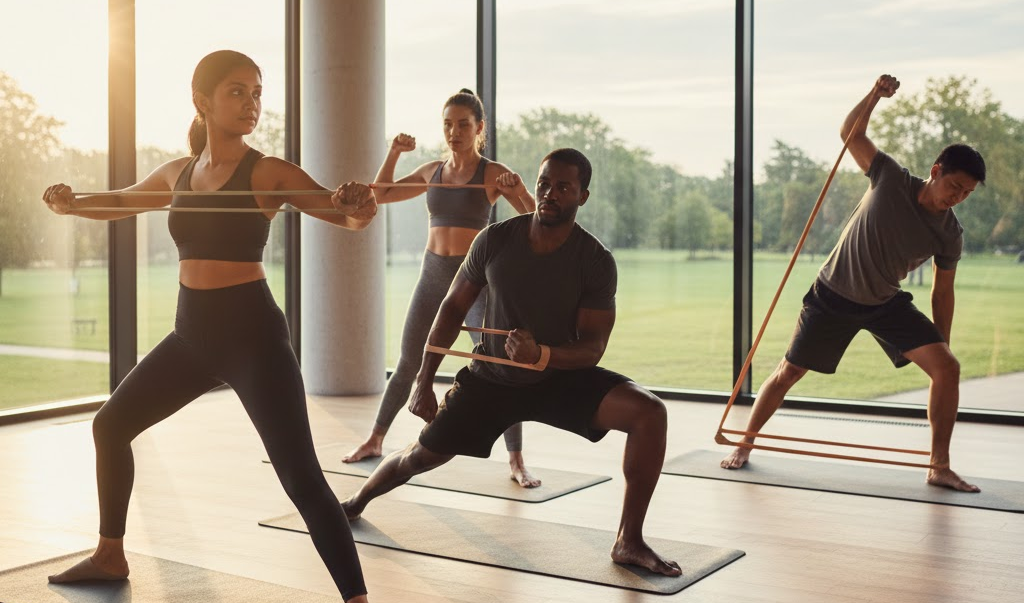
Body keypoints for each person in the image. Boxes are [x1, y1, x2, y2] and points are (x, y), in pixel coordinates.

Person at [42, 50, 385, 603]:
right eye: (237, 92)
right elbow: (121, 201)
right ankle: (111, 553)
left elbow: (344, 215)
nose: (252, 102)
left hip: (252, 334)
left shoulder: (269, 172)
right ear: (202, 100)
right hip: (192, 333)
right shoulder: (179, 171)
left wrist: (362, 204)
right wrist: (72, 203)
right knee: (110, 425)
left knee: (301, 477)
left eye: (256, 92)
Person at [341, 148, 682, 577]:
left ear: (583, 195)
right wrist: (424, 381)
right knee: (419, 457)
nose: (549, 193)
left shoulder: (595, 260)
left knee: (650, 412)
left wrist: (543, 355)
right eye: (544, 183)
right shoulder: (495, 239)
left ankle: (628, 541)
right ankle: (354, 503)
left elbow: (593, 347)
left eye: (563, 187)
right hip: (492, 380)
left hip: (559, 377)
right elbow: (450, 310)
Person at [721, 74, 986, 493]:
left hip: (885, 302)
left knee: (947, 368)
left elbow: (942, 289)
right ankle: (746, 444)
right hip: (832, 296)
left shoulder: (949, 233)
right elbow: (851, 133)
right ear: (936, 171)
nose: (958, 196)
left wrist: (941, 341)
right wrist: (875, 96)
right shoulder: (891, 177)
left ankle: (939, 466)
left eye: (967, 193)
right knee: (789, 372)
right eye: (954, 185)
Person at [342, 88, 542, 488]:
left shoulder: (490, 173)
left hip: (474, 278)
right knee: (408, 361)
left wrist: (517, 188)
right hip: (433, 272)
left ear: (479, 128)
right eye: (448, 124)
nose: (454, 132)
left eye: (463, 125)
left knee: (500, 365)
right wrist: (394, 152)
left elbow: (535, 217)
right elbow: (380, 195)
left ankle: (517, 460)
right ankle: (375, 439)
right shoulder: (433, 170)